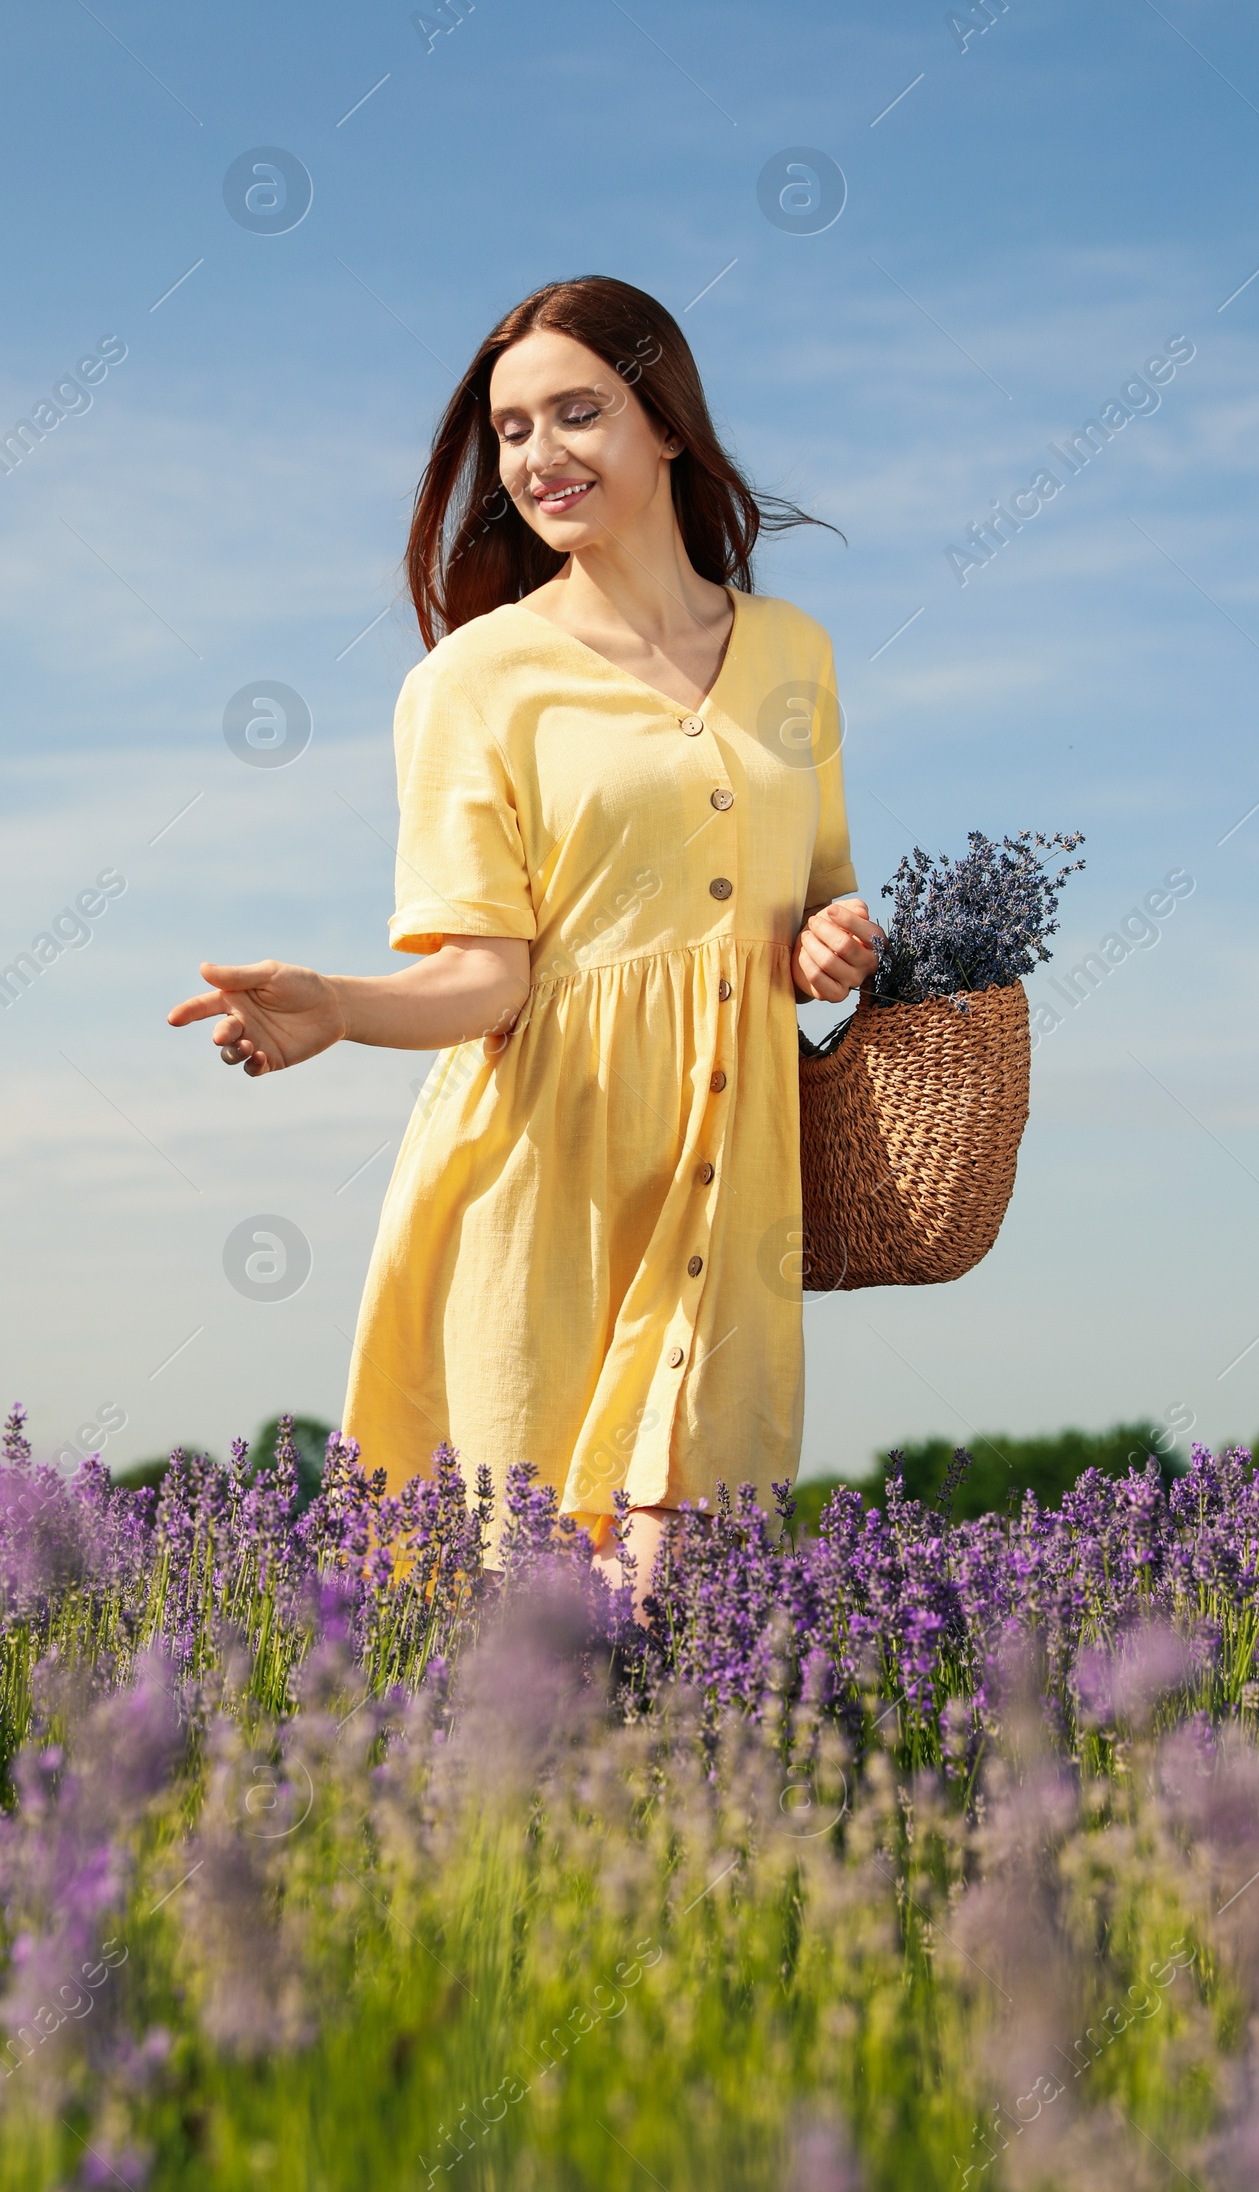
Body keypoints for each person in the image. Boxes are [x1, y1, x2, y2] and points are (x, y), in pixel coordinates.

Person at [168, 276, 882, 1609]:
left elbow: (815, 897)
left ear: (665, 423)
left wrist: (832, 945)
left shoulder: (797, 656)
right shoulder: (472, 682)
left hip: (733, 1190)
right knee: (545, 1636)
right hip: (543, 1189)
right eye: (513, 431)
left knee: (691, 1609)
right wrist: (337, 1002)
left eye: (578, 413)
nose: (541, 455)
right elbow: (485, 972)